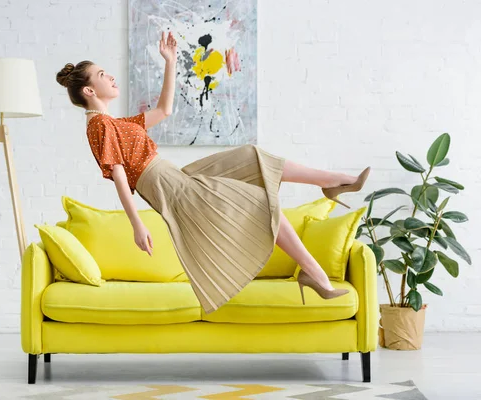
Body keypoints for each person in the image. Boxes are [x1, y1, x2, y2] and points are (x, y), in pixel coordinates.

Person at [56, 31, 370, 314]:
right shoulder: (98, 125)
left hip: (179, 177)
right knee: (262, 203)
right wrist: (137, 224)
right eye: (101, 74)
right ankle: (315, 273)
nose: (109, 76)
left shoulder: (117, 123)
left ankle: (331, 182)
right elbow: (120, 175)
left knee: (252, 157)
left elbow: (164, 110)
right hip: (174, 191)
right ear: (88, 91)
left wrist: (171, 61)